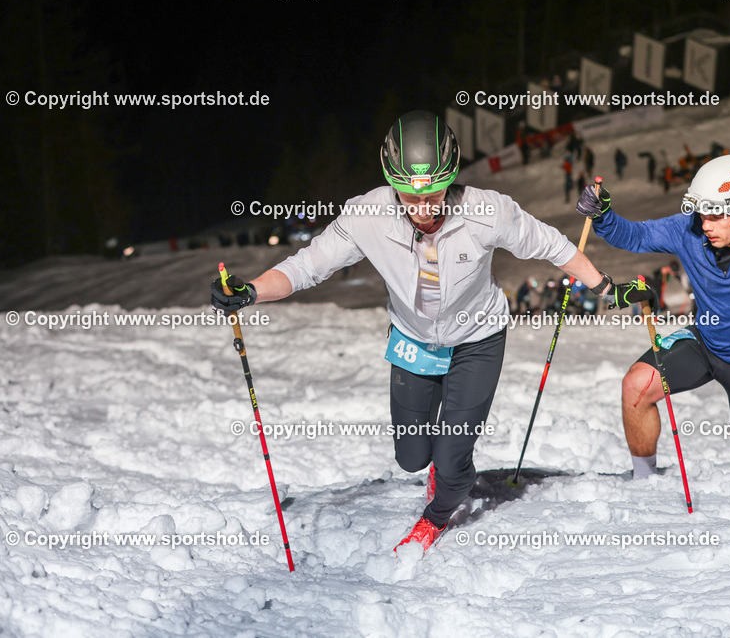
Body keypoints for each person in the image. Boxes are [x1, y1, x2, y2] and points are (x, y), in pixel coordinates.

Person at [211, 111, 650, 553]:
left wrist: (606, 287)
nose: (422, 209)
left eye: (434, 195)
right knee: (411, 458)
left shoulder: (487, 211)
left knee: (453, 459)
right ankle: (439, 467)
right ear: (391, 184)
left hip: (477, 339)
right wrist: (249, 291)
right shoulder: (368, 214)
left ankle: (437, 514)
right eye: (408, 197)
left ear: (451, 179)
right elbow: (306, 267)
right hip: (413, 341)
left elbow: (553, 245)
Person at [577, 154, 730, 482]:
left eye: (716, 215)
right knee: (636, 386)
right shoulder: (688, 231)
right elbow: (636, 236)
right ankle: (643, 480)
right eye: (701, 214)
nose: (706, 225)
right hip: (705, 343)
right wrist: (603, 215)